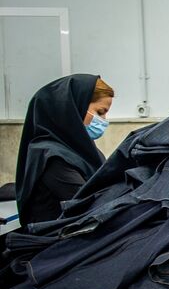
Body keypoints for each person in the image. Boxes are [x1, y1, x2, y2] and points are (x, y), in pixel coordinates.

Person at [15, 74, 113, 225]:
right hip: (56, 240)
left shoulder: (81, 151)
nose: (104, 121)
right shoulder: (51, 156)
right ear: (73, 108)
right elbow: (88, 205)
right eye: (100, 112)